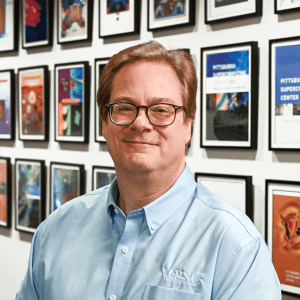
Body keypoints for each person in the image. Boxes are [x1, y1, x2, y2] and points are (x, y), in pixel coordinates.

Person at [15, 41, 281, 300]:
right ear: (104, 124)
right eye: (124, 108)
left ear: (188, 126)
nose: (141, 122)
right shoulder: (55, 231)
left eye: (161, 110)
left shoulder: (235, 248)